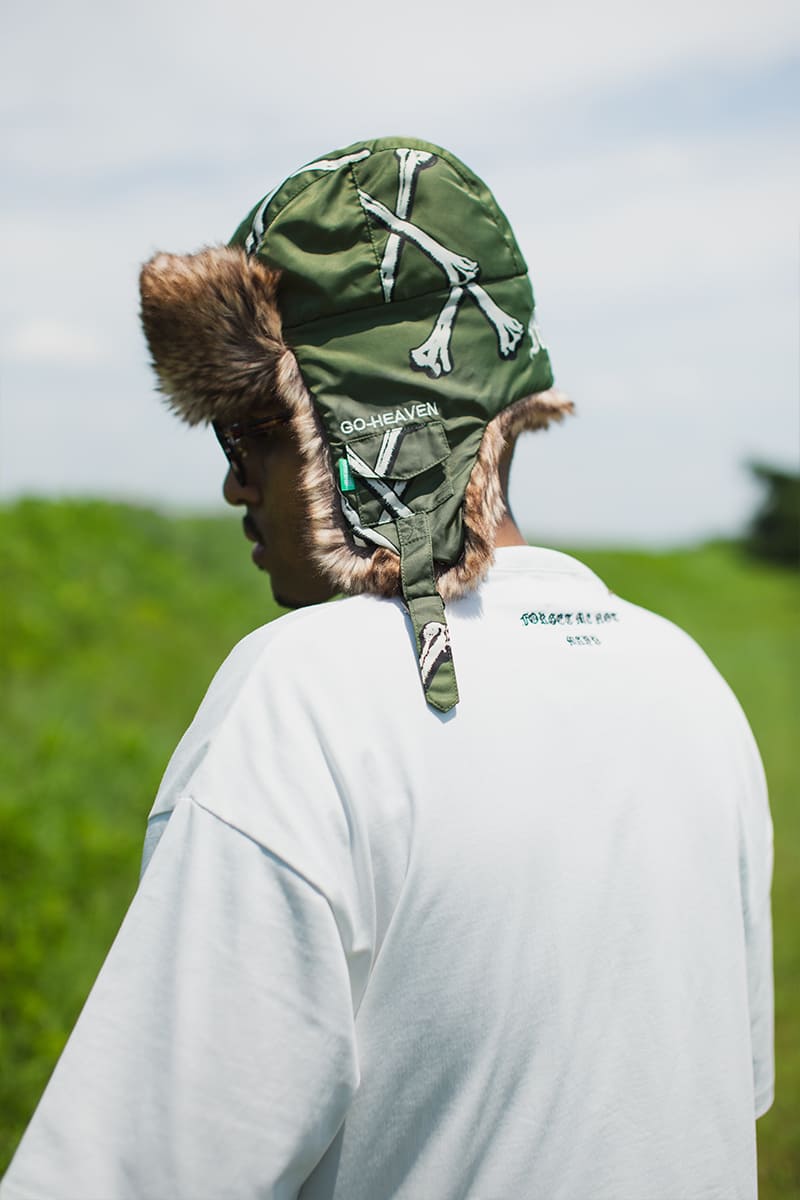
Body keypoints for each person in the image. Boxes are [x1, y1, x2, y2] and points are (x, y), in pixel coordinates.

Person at [1, 137, 773, 1200]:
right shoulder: (688, 685)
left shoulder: (307, 702)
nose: (233, 488)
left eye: (246, 434)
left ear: (359, 429)